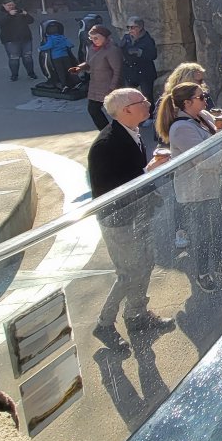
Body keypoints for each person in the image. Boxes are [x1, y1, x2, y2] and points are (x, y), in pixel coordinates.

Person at [87, 88, 173, 346]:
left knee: (145, 263)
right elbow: (115, 187)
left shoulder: (130, 133)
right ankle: (104, 324)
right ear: (126, 110)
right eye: (142, 102)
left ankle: (137, 315)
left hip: (137, 213)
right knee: (128, 272)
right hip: (119, 220)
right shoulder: (106, 144)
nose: (148, 104)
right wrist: (150, 171)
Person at [155, 82, 222, 292]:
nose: (206, 99)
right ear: (187, 103)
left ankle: (221, 265)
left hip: (210, 186)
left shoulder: (202, 117)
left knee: (216, 229)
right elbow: (205, 160)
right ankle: (202, 274)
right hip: (196, 191)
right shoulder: (182, 128)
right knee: (203, 234)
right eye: (201, 97)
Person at [71, 24, 122, 129]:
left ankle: (119, 132)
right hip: (95, 85)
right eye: (92, 38)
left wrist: (112, 87)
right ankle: (106, 131)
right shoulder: (92, 48)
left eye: (96, 38)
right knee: (93, 109)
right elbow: (89, 63)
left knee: (115, 112)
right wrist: (79, 68)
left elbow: (117, 70)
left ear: (105, 37)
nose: (94, 40)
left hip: (108, 87)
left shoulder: (112, 50)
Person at [0, 0, 37, 81]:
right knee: (14, 58)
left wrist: (26, 14)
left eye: (12, 5)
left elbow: (31, 21)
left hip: (25, 38)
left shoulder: (20, 11)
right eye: (9, 5)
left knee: (28, 57)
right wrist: (9, 15)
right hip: (10, 39)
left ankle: (31, 73)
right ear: (3, 5)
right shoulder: (0, 13)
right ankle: (14, 75)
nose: (11, 7)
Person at [120, 17, 159, 103]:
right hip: (130, 71)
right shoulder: (126, 38)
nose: (130, 30)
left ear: (140, 27)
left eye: (133, 27)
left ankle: (150, 115)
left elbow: (153, 55)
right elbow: (121, 51)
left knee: (147, 97)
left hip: (145, 73)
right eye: (128, 27)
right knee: (129, 96)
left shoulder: (147, 40)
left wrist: (140, 52)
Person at [39, 22, 76, 90]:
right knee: (70, 69)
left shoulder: (50, 38)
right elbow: (70, 44)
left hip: (56, 57)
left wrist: (40, 48)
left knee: (60, 71)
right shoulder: (62, 37)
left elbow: (49, 46)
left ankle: (63, 85)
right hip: (65, 56)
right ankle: (77, 81)